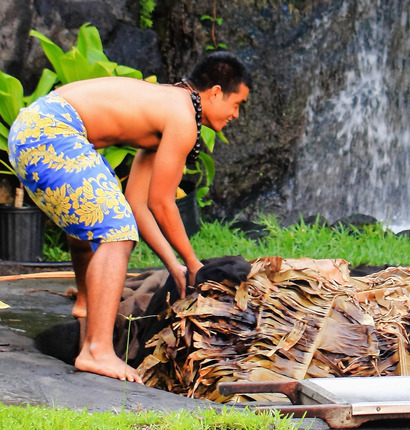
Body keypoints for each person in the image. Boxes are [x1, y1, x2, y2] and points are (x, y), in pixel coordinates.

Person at [7, 51, 252, 382]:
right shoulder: (182, 118)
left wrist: (174, 265)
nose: (237, 114)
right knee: (116, 232)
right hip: (51, 130)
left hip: (33, 129)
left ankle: (85, 303)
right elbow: (164, 203)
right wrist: (195, 265)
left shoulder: (168, 108)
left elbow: (139, 204)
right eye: (237, 104)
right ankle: (97, 350)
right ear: (215, 92)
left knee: (102, 214)